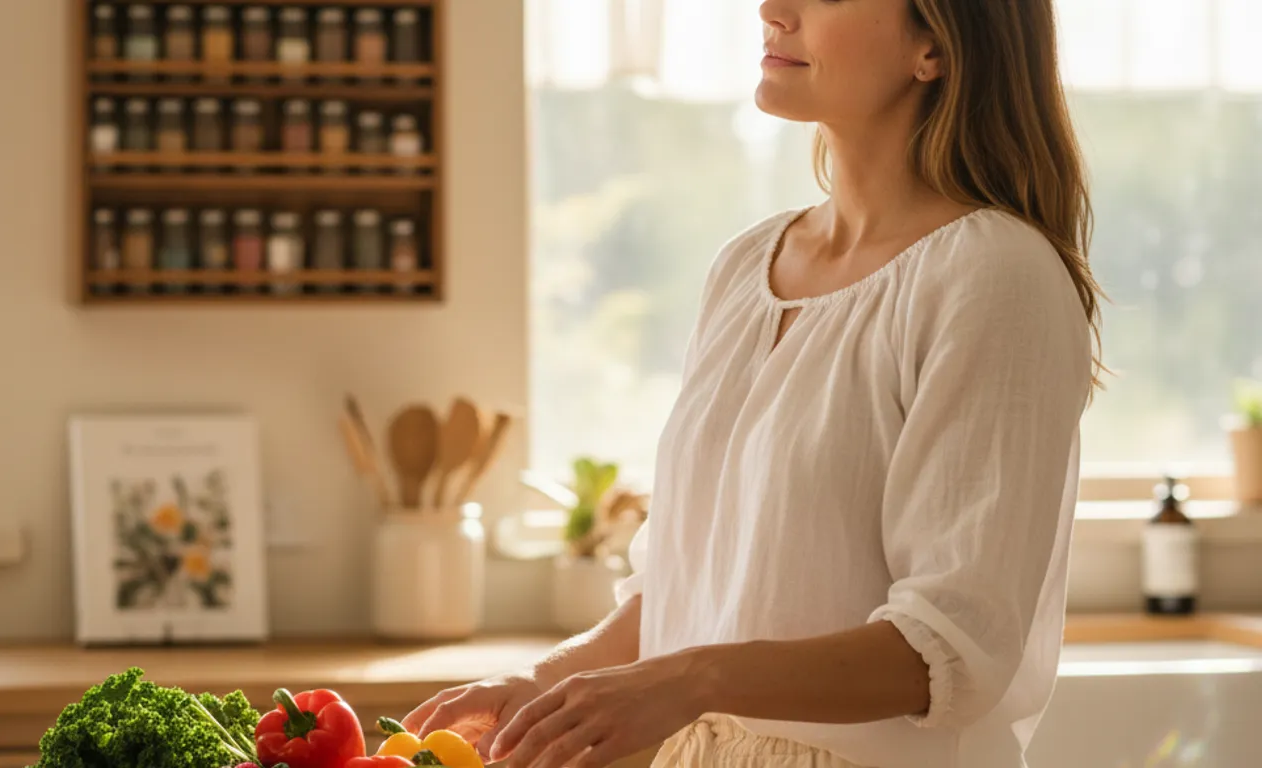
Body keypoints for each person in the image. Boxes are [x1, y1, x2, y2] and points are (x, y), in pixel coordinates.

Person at [404, 0, 1101, 765]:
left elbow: (948, 649)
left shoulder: (995, 276)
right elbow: (681, 585)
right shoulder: (747, 266)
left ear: (933, 46)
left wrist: (691, 680)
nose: (772, 8)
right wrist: (543, 679)